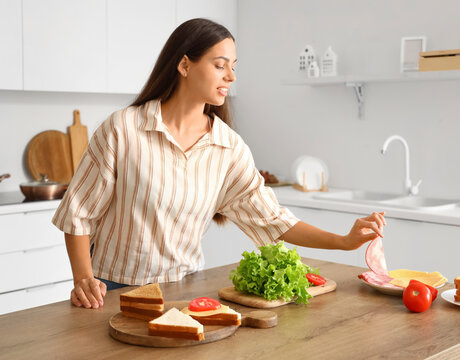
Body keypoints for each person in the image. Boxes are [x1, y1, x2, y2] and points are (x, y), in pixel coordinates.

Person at [52, 18, 386, 309]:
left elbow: (273, 220)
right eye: (220, 65)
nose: (231, 76)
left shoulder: (229, 147)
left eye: (234, 66)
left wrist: (343, 241)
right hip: (112, 290)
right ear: (184, 65)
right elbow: (79, 213)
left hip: (184, 292)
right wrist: (83, 278)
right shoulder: (123, 128)